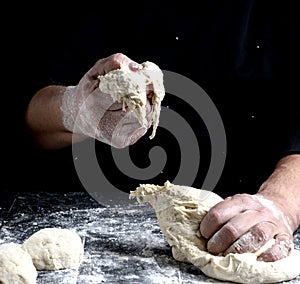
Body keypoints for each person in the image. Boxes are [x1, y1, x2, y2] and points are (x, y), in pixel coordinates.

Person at [5, 0, 300, 264]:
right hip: (75, 221)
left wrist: (280, 204)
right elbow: (24, 108)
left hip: (238, 218)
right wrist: (73, 108)